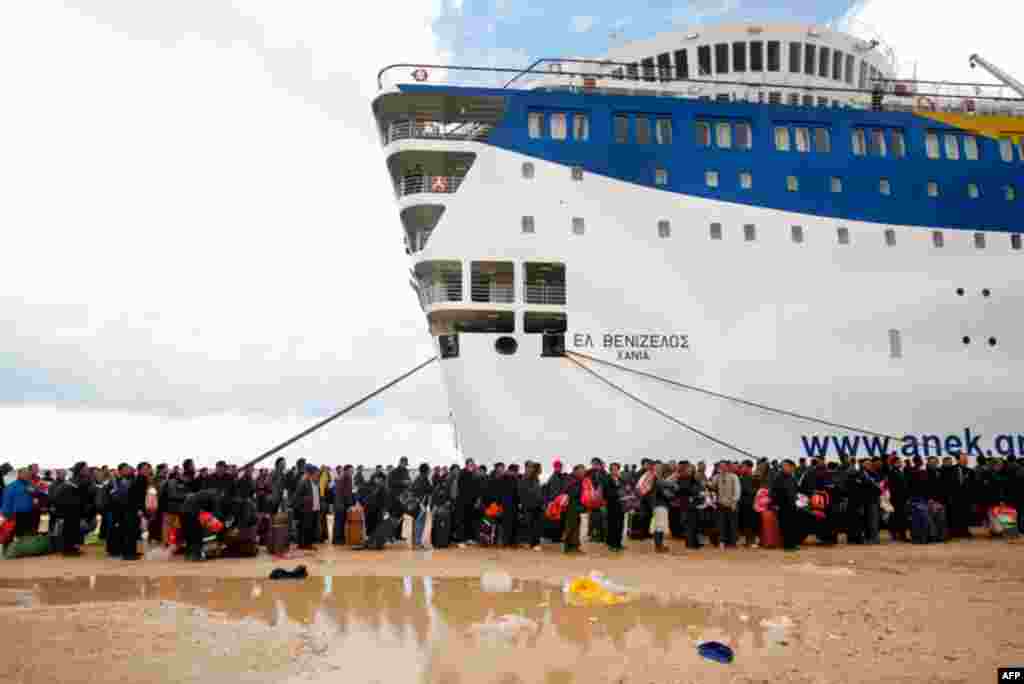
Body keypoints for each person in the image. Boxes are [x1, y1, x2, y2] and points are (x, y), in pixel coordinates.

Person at [771, 460, 801, 551]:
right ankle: (787, 546)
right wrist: (775, 504)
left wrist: (797, 500)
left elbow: (796, 490)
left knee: (792, 525)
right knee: (785, 526)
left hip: (792, 505)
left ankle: (792, 544)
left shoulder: (792, 478)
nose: (785, 468)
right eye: (784, 466)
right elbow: (773, 492)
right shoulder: (778, 477)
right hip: (782, 505)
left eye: (787, 466)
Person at [1, 467, 37, 540]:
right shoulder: (11, 486)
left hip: (29, 514)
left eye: (28, 474)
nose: (27, 475)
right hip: (16, 515)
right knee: (12, 536)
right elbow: (6, 501)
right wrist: (7, 514)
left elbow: (36, 496)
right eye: (25, 473)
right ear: (19, 474)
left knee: (25, 536)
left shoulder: (30, 485)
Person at [712, 461, 741, 549]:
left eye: (724, 466)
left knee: (733, 524)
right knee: (721, 524)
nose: (722, 468)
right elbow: (712, 486)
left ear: (728, 467)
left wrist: (734, 501)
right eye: (720, 466)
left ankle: (733, 543)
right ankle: (722, 542)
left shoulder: (733, 476)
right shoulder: (717, 477)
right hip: (721, 503)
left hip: (731, 504)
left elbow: (737, 490)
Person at [518, 461, 545, 551]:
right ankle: (532, 543)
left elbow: (538, 492)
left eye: (532, 467)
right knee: (530, 524)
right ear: (526, 467)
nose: (531, 468)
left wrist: (541, 501)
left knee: (536, 524)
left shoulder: (535, 478)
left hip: (537, 505)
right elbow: (522, 492)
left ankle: (534, 543)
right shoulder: (524, 478)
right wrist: (524, 503)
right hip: (529, 505)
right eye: (529, 467)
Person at [294, 464, 321, 550]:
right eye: (316, 473)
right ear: (311, 474)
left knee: (312, 527)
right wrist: (306, 499)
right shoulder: (304, 483)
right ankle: (304, 545)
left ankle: (307, 544)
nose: (318, 475)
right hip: (306, 509)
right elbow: (297, 496)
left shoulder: (316, 483)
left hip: (315, 508)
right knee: (306, 528)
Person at [563, 465, 586, 553]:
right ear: (575, 471)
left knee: (576, 526)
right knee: (570, 527)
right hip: (571, 507)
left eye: (584, 471)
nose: (583, 473)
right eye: (581, 471)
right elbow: (569, 492)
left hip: (577, 507)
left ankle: (575, 546)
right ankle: (568, 547)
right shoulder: (570, 480)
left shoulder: (579, 480)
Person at [410, 463, 432, 549]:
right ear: (426, 471)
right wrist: (421, 504)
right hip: (420, 505)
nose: (430, 471)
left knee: (420, 523)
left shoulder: (421, 478)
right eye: (429, 469)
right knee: (419, 523)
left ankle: (418, 542)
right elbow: (418, 492)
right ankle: (417, 543)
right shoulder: (421, 479)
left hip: (421, 504)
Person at [333, 465, 355, 546]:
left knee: (339, 522)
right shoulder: (346, 477)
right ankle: (338, 540)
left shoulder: (343, 477)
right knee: (340, 522)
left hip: (340, 503)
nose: (352, 472)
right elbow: (346, 493)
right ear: (346, 470)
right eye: (351, 470)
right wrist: (351, 503)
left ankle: (338, 539)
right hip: (341, 504)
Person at [605, 462, 625, 552]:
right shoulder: (607, 479)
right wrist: (617, 493)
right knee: (612, 525)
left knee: (620, 525)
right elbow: (606, 493)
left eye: (616, 469)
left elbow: (625, 490)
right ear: (610, 470)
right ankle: (612, 544)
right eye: (613, 469)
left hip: (621, 506)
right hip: (611, 506)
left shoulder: (621, 479)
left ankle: (618, 543)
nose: (615, 471)